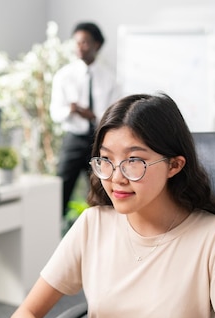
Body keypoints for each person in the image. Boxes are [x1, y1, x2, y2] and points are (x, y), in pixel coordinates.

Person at [9, 93, 215, 318]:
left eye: (134, 161)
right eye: (106, 160)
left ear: (174, 165)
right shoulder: (94, 224)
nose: (116, 177)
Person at [50, 22, 119, 215]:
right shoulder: (64, 76)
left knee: (101, 189)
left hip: (98, 141)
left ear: (96, 45)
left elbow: (115, 115)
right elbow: (55, 113)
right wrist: (70, 110)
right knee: (61, 189)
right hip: (73, 139)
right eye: (77, 43)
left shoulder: (109, 78)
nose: (80, 47)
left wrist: (93, 116)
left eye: (85, 43)